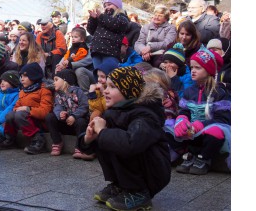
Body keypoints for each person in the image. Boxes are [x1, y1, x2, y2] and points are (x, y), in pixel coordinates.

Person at [77, 66, 171, 210]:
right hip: (137, 164)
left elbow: (130, 144)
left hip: (153, 172)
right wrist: (88, 139)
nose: (105, 90)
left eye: (112, 87)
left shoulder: (145, 116)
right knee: (105, 137)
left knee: (110, 136)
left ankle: (138, 192)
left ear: (128, 90)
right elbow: (102, 140)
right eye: (105, 86)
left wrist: (102, 132)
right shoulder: (115, 111)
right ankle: (121, 185)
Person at [164, 47, 230, 175]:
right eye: (192, 67)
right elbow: (185, 110)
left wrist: (201, 125)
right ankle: (186, 152)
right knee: (167, 127)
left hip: (208, 129)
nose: (193, 71)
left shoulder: (219, 92)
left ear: (209, 70)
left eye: (198, 68)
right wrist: (182, 119)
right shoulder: (190, 91)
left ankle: (204, 158)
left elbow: (223, 119)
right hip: (191, 130)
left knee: (216, 132)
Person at [0, 62, 53, 155]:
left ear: (34, 76)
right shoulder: (23, 91)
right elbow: (16, 107)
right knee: (10, 115)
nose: (22, 79)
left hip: (38, 122)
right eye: (21, 76)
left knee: (20, 115)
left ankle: (38, 140)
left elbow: (46, 111)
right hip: (24, 120)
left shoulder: (44, 90)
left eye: (25, 76)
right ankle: (10, 139)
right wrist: (18, 110)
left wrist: (28, 109)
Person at [46, 69, 94, 160]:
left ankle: (79, 146)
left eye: (56, 80)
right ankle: (57, 142)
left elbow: (84, 106)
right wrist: (61, 113)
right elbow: (57, 106)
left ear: (65, 80)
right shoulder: (58, 94)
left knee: (81, 121)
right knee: (50, 117)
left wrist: (74, 116)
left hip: (77, 122)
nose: (54, 83)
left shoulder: (78, 91)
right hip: (65, 122)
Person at [86, 0, 129, 70]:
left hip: (110, 52)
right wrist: (93, 19)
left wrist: (101, 17)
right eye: (105, 6)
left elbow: (114, 24)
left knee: (108, 74)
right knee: (98, 74)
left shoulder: (122, 18)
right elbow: (91, 30)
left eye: (109, 5)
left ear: (117, 6)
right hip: (97, 50)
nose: (107, 7)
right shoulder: (102, 18)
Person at [55, 26, 95, 92]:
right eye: (72, 37)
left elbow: (88, 60)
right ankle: (66, 94)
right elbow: (65, 56)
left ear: (82, 39)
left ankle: (85, 93)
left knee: (79, 71)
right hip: (72, 68)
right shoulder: (73, 47)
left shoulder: (87, 46)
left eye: (75, 37)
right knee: (59, 71)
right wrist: (60, 65)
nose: (73, 39)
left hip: (88, 71)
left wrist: (71, 64)